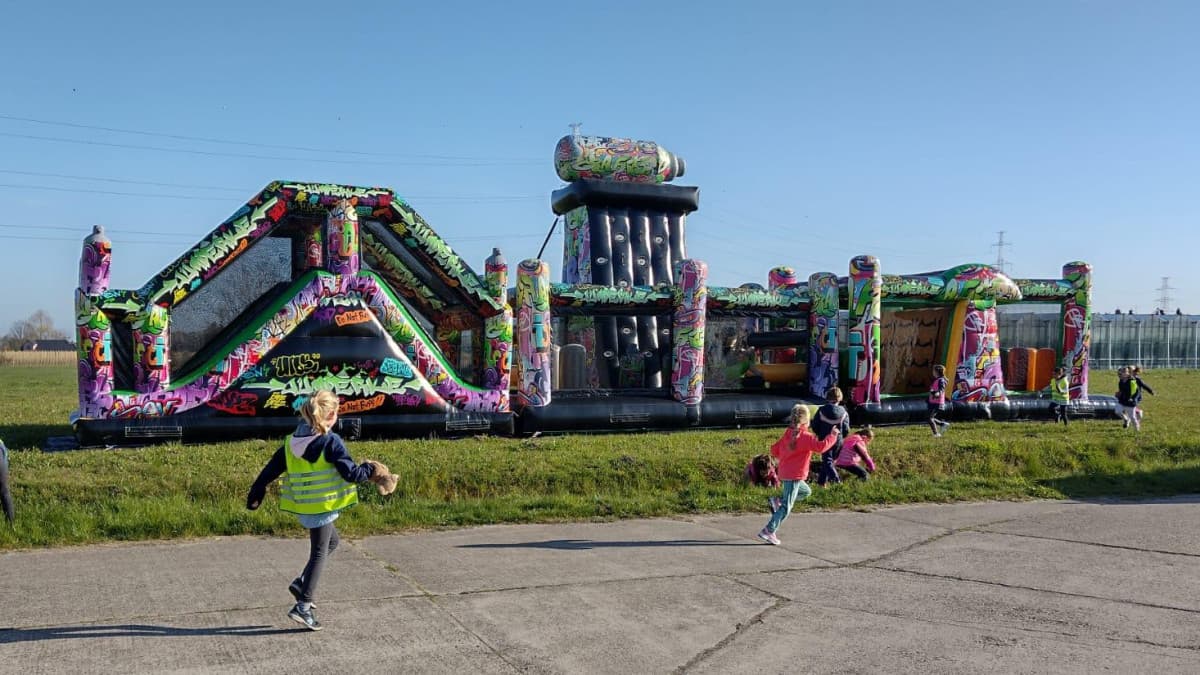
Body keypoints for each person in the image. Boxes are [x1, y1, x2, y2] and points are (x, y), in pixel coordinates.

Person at [246, 391, 384, 631]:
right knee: (320, 552)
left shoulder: (291, 443)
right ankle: (303, 605)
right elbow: (350, 474)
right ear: (330, 415)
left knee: (332, 543)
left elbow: (272, 468)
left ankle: (301, 585)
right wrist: (370, 469)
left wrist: (257, 489)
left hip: (305, 506)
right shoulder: (331, 442)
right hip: (322, 506)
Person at [757, 404, 839, 545]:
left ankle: (778, 501)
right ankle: (768, 530)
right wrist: (833, 436)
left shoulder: (788, 433)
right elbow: (820, 447)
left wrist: (786, 453)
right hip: (794, 475)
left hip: (786, 473)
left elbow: (775, 450)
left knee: (806, 491)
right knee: (786, 508)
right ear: (807, 421)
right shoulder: (806, 437)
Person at [812, 387, 849, 487]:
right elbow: (846, 429)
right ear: (840, 398)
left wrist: (819, 434)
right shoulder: (844, 412)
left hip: (825, 439)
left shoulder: (821, 410)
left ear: (827, 397)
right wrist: (842, 436)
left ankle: (836, 482)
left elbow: (815, 425)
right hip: (839, 440)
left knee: (827, 461)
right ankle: (821, 483)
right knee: (829, 461)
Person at [1114, 367, 1142, 431]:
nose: (1119, 375)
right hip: (1122, 400)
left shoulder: (1132, 381)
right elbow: (1121, 390)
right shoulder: (1120, 382)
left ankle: (1137, 429)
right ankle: (1126, 419)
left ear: (1127, 373)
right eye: (1119, 374)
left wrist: (1133, 398)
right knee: (1117, 411)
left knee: (1132, 418)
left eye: (1121, 373)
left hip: (1130, 402)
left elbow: (1136, 392)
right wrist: (1118, 394)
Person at [928, 364, 951, 437]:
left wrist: (938, 393)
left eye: (933, 371)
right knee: (930, 418)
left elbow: (941, 389)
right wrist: (932, 391)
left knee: (929, 418)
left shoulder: (941, 380)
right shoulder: (938, 380)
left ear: (937, 372)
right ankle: (943, 424)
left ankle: (936, 434)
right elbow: (934, 390)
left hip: (937, 402)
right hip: (933, 402)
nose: (933, 372)